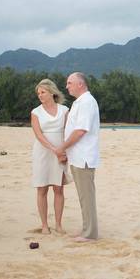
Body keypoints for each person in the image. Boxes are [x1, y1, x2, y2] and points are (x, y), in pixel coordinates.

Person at [57, 72, 100, 242]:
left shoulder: (87, 102)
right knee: (83, 195)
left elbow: (81, 130)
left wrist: (62, 147)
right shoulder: (80, 102)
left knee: (86, 195)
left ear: (80, 84)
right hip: (77, 156)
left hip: (84, 157)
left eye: (69, 83)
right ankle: (86, 228)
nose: (67, 86)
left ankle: (90, 233)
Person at [30, 78, 71, 235]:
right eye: (38, 93)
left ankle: (59, 224)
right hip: (43, 152)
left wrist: (64, 151)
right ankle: (45, 225)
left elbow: (68, 131)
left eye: (43, 92)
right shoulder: (36, 112)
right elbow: (38, 135)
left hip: (61, 151)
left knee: (58, 188)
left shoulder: (64, 110)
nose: (40, 95)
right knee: (42, 189)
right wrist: (54, 149)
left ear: (52, 92)